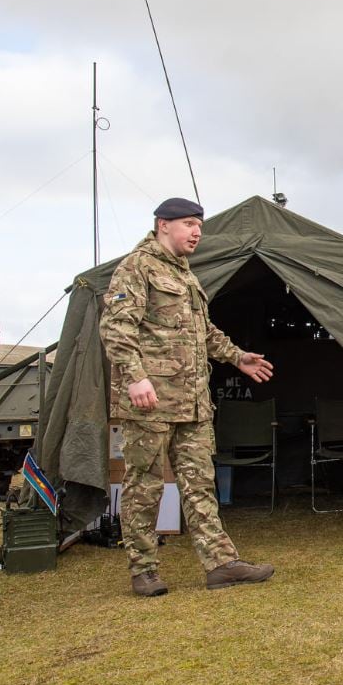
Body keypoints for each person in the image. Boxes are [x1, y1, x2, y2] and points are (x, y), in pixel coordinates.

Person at [100, 197, 277, 597]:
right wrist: (135, 378)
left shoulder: (184, 274)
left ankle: (221, 564)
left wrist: (238, 357)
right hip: (150, 402)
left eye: (200, 225)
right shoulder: (137, 267)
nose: (197, 232)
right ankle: (143, 570)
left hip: (192, 402)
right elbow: (116, 327)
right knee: (144, 487)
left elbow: (204, 332)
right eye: (189, 224)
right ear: (163, 224)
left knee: (200, 484)